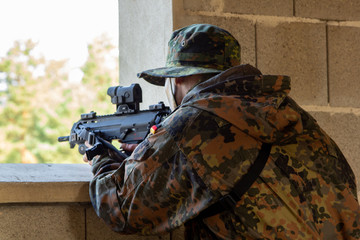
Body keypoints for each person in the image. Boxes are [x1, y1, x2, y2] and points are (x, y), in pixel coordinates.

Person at [85, 24, 360, 239]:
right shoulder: (285, 110)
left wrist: (99, 156)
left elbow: (119, 207)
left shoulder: (193, 124)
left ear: (177, 77)